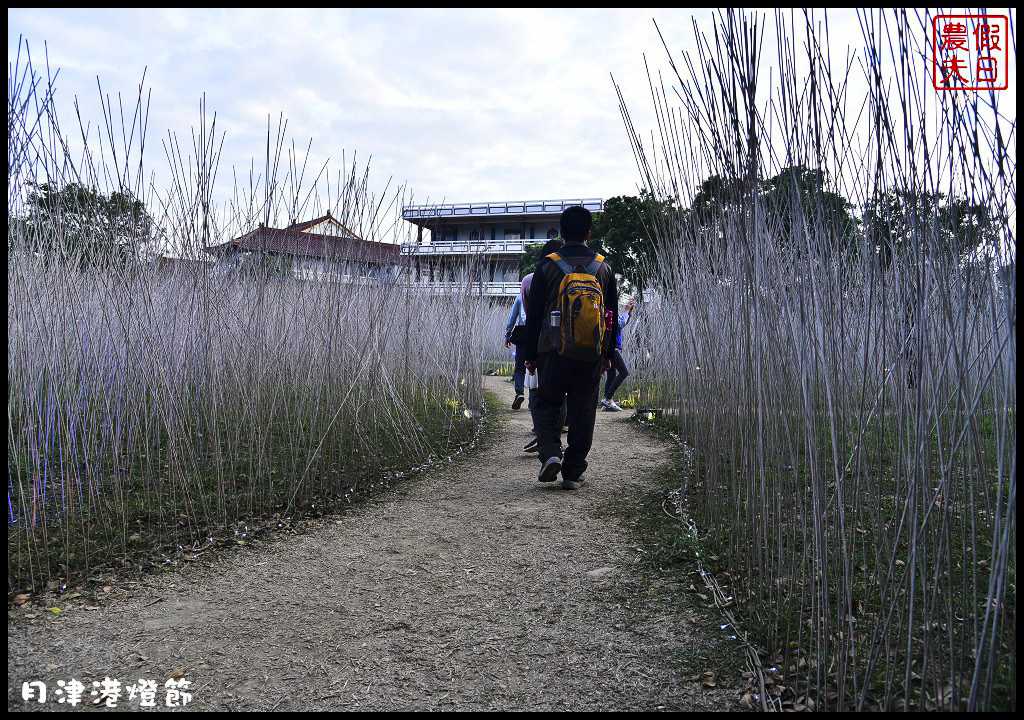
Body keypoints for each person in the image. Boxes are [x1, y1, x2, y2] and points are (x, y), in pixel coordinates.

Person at [522, 205, 618, 490]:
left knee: (544, 402)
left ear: (561, 232)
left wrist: (530, 355)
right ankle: (573, 473)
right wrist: (608, 354)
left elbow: (535, 314)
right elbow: (610, 316)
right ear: (588, 233)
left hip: (552, 350)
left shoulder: (548, 265)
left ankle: (551, 452)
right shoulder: (604, 267)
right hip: (591, 352)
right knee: (583, 408)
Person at [520, 237, 566, 453]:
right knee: (562, 394)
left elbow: (531, 316)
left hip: (543, 341)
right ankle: (555, 438)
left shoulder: (530, 278)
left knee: (538, 394)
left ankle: (544, 438)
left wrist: (529, 354)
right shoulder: (570, 273)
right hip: (570, 341)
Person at [600, 297, 636, 411]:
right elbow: (618, 325)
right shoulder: (608, 311)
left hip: (612, 346)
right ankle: (608, 398)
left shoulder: (610, 311)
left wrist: (628, 314)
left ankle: (607, 403)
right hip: (612, 347)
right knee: (624, 371)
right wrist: (625, 311)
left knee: (611, 375)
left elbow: (621, 324)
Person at [505, 294, 527, 409]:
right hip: (540, 334)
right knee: (540, 367)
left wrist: (507, 335)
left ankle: (519, 393)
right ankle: (535, 400)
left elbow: (512, 318)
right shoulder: (543, 294)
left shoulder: (520, 297)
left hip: (523, 334)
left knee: (519, 367)